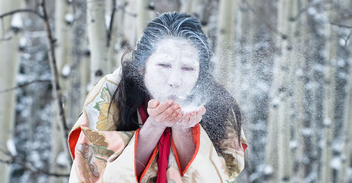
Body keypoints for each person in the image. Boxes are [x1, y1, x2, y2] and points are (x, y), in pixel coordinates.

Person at [68, 12, 248, 183]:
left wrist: (184, 131)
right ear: (141, 67)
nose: (175, 80)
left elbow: (222, 178)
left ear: (200, 72)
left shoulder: (219, 104)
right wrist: (154, 126)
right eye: (164, 64)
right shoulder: (112, 92)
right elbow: (93, 175)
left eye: (188, 68)